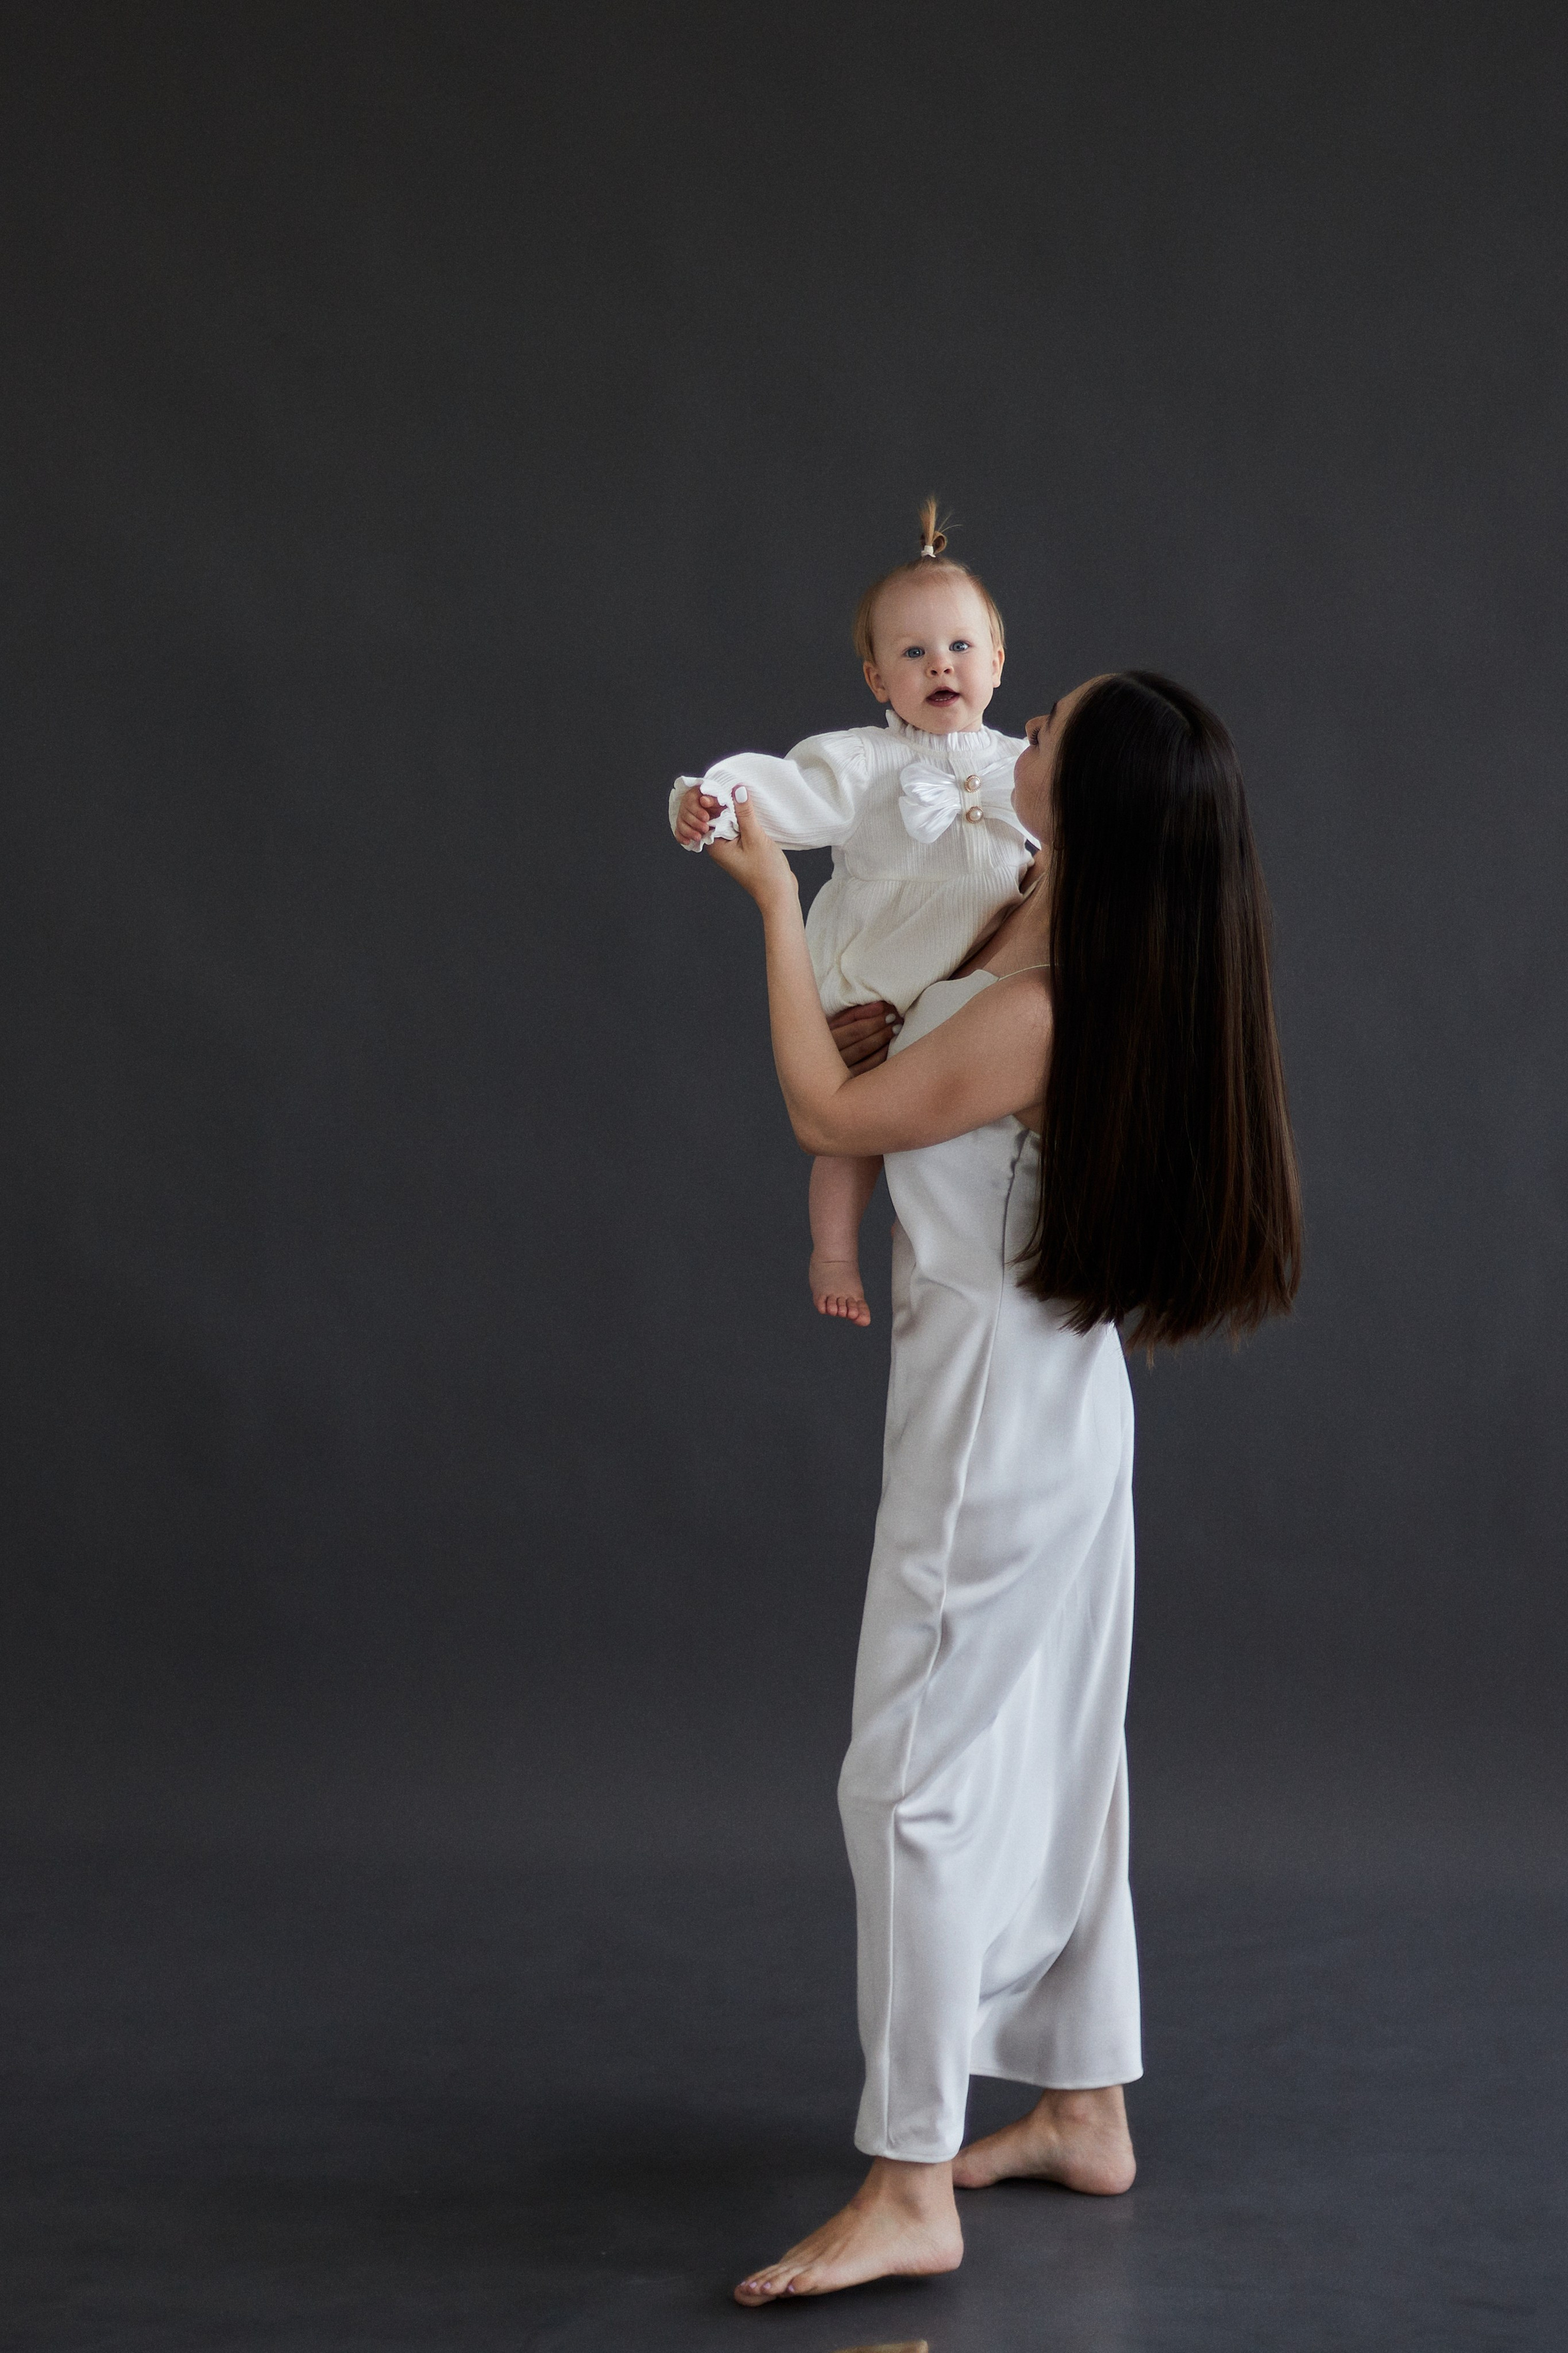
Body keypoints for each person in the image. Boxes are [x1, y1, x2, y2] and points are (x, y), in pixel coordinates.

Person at [703, 671, 1302, 2305]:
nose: (1018, 727)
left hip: (992, 1416)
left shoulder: (1057, 1010)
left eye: (1047, 733)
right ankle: (1086, 2100)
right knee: (1056, 1743)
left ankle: (910, 2178)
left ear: (1085, 803)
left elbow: (823, 1108)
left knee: (905, 1779)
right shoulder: (1043, 912)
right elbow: (896, 1017)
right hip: (1062, 1398)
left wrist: (772, 900)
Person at [671, 499, 1034, 1327]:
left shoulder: (1025, 763)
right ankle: (833, 1249)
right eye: (913, 652)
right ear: (877, 679)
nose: (941, 665)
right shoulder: (867, 761)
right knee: (852, 1124)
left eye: (960, 647)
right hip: (882, 976)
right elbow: (782, 793)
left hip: (979, 992)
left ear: (999, 663)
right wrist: (708, 803)